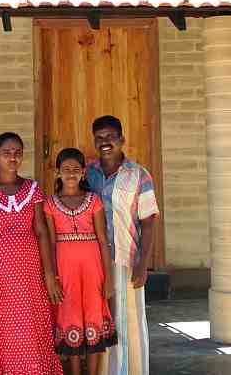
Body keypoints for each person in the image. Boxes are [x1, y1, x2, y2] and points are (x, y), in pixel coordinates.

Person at [0, 132, 64, 375]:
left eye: (18, 152)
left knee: (28, 329)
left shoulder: (32, 188)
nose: (13, 157)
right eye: (7, 152)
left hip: (29, 276)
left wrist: (49, 274)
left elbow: (41, 231)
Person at [86, 115, 160, 375]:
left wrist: (143, 263)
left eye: (111, 137)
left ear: (121, 140)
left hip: (127, 259)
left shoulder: (139, 175)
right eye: (100, 138)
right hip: (94, 261)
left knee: (129, 320)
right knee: (102, 320)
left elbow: (149, 222)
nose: (105, 142)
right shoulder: (88, 174)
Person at [44, 148, 117, 375]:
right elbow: (51, 243)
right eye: (66, 170)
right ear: (57, 173)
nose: (71, 174)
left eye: (76, 169)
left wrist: (108, 278)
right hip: (65, 271)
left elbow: (103, 239)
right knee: (70, 316)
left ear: (84, 172)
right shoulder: (50, 204)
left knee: (94, 315)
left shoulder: (93, 201)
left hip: (93, 269)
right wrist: (53, 277)